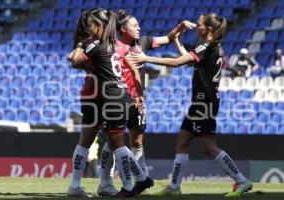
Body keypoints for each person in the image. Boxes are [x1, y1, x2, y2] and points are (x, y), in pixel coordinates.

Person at [129, 13, 252, 197]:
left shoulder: (207, 46)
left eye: (200, 24)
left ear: (209, 29)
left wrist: (145, 58)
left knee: (208, 146)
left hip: (204, 102)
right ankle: (175, 186)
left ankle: (242, 181)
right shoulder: (213, 47)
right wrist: (177, 42)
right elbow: (189, 60)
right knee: (182, 140)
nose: (197, 27)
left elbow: (178, 63)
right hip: (204, 101)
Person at [98, 9, 194, 196]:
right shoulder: (113, 46)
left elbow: (168, 38)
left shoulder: (144, 42)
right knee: (112, 140)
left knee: (137, 142)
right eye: (135, 25)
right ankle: (106, 180)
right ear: (123, 28)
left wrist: (180, 27)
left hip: (138, 101)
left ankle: (139, 182)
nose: (139, 28)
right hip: (118, 99)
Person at [69, 8, 153, 198]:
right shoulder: (119, 45)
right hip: (111, 96)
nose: (88, 28)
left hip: (102, 97)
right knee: (109, 141)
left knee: (106, 142)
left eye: (91, 24)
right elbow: (132, 67)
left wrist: (81, 46)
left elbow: (74, 60)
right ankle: (118, 182)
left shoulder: (93, 44)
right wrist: (139, 94)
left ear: (99, 26)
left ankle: (126, 182)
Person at [67, 9, 103, 198]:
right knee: (113, 141)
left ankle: (76, 185)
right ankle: (106, 183)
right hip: (103, 94)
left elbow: (72, 59)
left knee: (88, 142)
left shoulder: (88, 44)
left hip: (93, 92)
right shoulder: (93, 44)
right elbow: (73, 59)